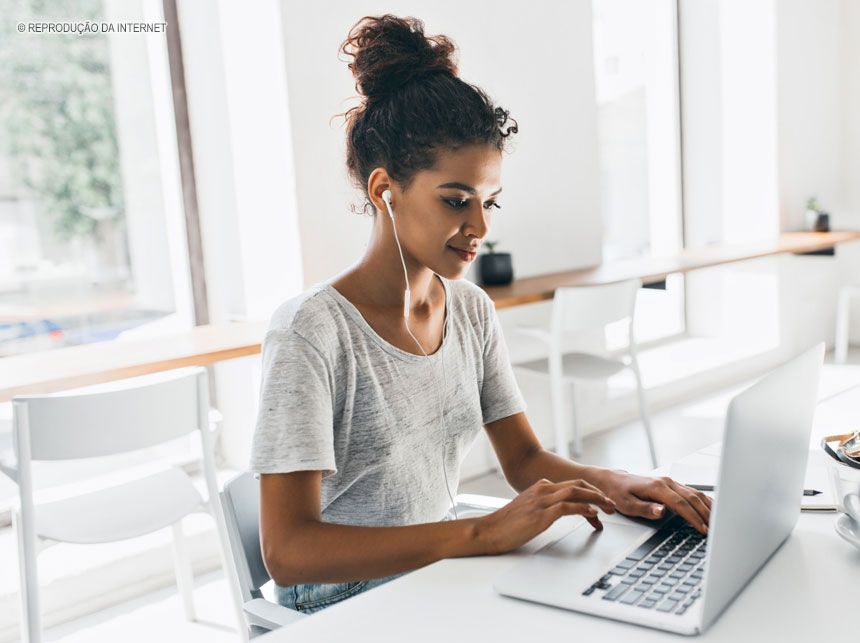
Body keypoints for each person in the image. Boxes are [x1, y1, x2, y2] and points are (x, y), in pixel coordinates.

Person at [250, 14, 711, 615]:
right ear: (384, 189)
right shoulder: (311, 332)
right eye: (455, 200)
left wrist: (617, 483)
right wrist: (480, 534)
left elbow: (522, 461)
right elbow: (288, 552)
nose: (480, 227)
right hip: (341, 603)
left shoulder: (468, 309)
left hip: (433, 572)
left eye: (489, 201)